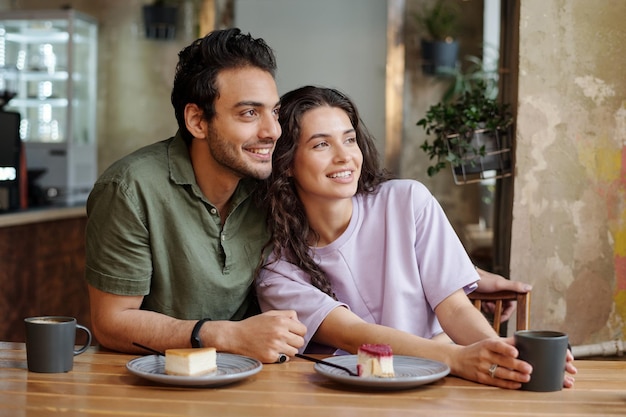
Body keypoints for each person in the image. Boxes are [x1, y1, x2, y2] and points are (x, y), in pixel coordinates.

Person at [256, 85, 576, 388]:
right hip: (347, 394)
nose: (344, 157)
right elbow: (352, 334)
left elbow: (455, 308)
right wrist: (457, 357)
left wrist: (506, 358)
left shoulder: (407, 201)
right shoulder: (277, 270)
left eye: (350, 140)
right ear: (286, 164)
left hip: (441, 384)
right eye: (321, 144)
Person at [84, 28, 306, 363]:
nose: (272, 130)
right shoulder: (130, 188)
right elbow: (112, 323)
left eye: (273, 111)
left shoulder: (271, 185)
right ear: (197, 121)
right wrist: (225, 335)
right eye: (249, 113)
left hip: (252, 379)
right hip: (155, 385)